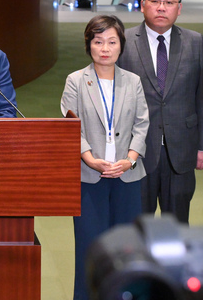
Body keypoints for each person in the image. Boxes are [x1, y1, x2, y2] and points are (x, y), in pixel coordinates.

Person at [61, 15, 149, 300]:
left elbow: (142, 124)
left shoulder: (133, 81)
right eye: (98, 42)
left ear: (121, 45)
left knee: (127, 251)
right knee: (89, 250)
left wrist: (130, 159)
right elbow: (70, 125)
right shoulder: (76, 81)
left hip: (127, 177)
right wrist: (89, 159)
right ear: (89, 45)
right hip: (89, 177)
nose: (105, 49)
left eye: (112, 42)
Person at [118, 0, 203, 224]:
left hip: (182, 149)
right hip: (136, 150)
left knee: (178, 224)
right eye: (155, 1)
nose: (162, 8)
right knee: (137, 223)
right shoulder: (123, 41)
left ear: (179, 8)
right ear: (142, 5)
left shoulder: (195, 42)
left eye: (169, 2)